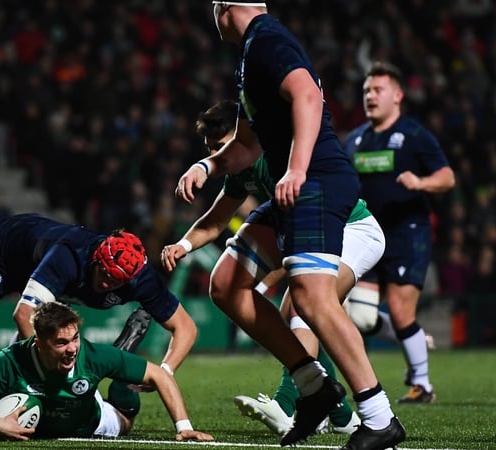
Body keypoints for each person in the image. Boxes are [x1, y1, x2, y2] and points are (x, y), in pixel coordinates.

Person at [175, 3, 405, 448]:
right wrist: (207, 165)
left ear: (224, 9)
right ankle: (314, 387)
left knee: (309, 299)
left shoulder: (267, 39)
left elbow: (307, 95)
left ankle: (379, 418)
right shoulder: (251, 52)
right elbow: (244, 145)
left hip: (315, 181)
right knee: (226, 284)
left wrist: (297, 168)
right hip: (298, 187)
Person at [162, 100, 386, 435]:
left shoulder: (276, 158)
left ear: (243, 139)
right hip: (292, 225)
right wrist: (183, 244)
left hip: (353, 230)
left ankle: (311, 406)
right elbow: (217, 218)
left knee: (301, 305)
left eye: (221, 149)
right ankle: (339, 414)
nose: (217, 158)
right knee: (226, 286)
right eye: (210, 151)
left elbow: (306, 227)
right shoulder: (242, 170)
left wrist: (272, 277)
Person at [0, 213, 198, 430]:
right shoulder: (69, 257)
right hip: (5, 255)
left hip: (54, 290)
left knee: (52, 354)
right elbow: (24, 314)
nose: (108, 284)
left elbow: (185, 327)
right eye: (104, 274)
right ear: (96, 259)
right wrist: (43, 381)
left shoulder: (141, 279)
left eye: (117, 281)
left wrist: (167, 370)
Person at [342, 61, 455, 404]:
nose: (370, 96)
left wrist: (420, 182)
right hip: (365, 233)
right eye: (366, 91)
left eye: (378, 90)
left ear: (398, 95)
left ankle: (422, 384)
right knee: (359, 316)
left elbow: (447, 177)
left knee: (401, 309)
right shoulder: (356, 139)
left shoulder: (415, 134)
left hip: (408, 232)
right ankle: (413, 337)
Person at [0, 302, 213, 442]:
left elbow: (160, 375)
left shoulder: (90, 354)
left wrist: (184, 427)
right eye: (61, 343)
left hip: (91, 422)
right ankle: (121, 364)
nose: (72, 348)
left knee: (125, 409)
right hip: (55, 414)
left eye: (75, 338)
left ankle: (123, 364)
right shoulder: (10, 360)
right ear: (39, 343)